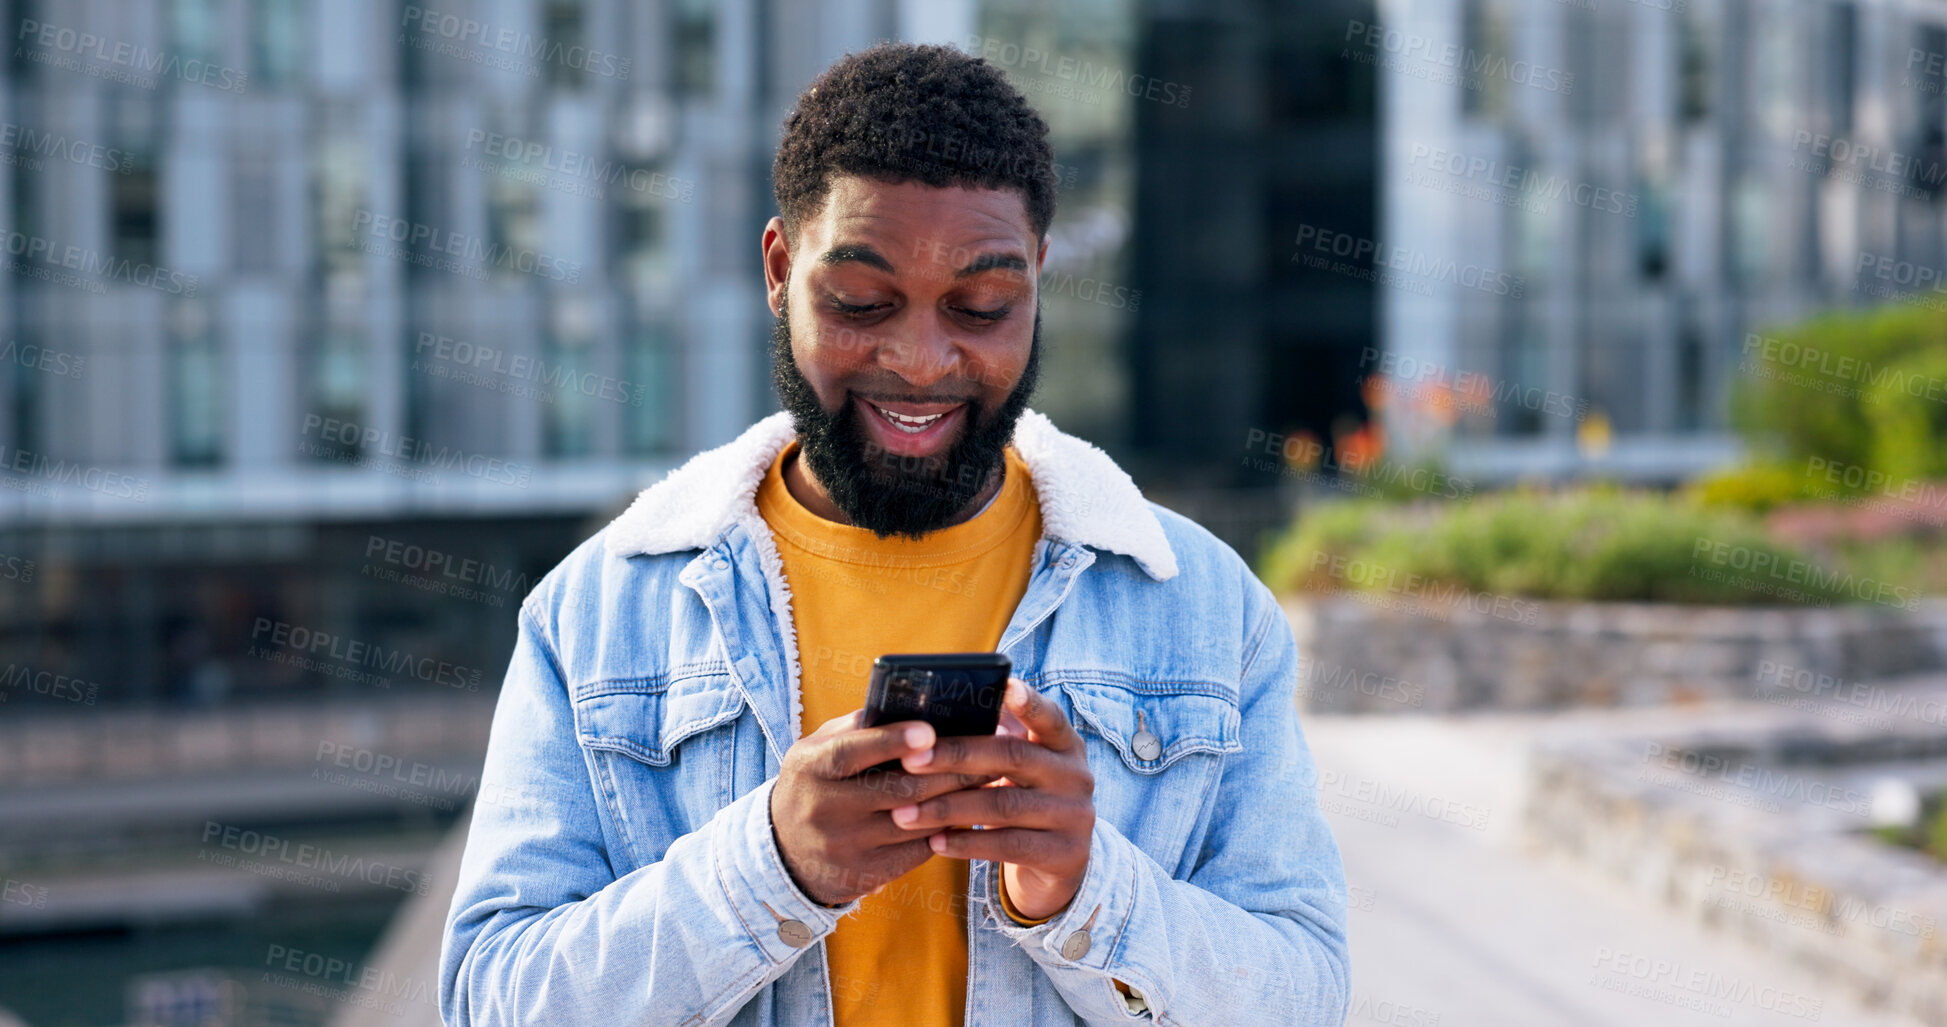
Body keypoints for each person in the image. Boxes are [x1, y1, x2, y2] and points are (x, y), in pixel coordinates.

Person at [439, 41, 1348, 1027]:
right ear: (782, 271)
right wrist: (771, 867)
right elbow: (493, 1000)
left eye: (982, 307)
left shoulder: (1207, 607)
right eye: (862, 303)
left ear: (1038, 281)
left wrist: (1086, 889)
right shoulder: (598, 610)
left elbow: (1302, 999)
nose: (920, 360)